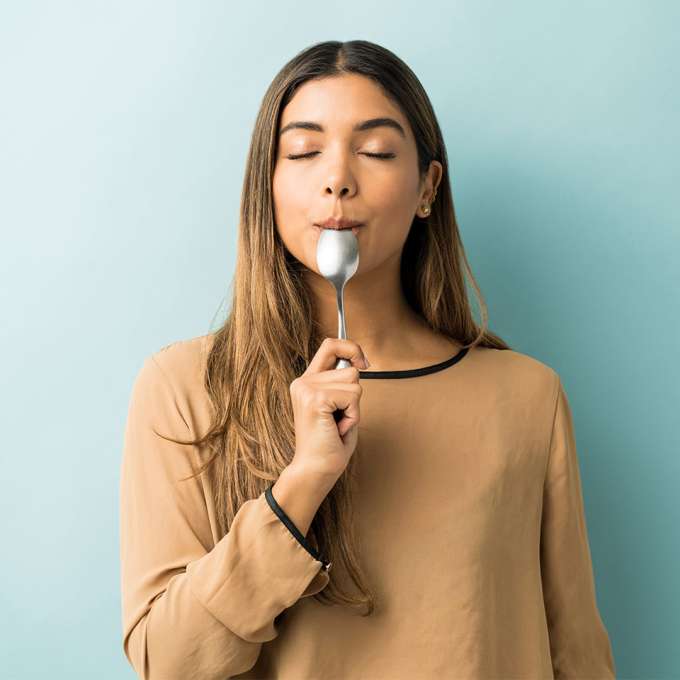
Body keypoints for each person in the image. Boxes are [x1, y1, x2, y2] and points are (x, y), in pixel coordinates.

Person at [119, 39, 616, 679]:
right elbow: (170, 663)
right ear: (265, 188)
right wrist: (301, 485)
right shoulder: (185, 387)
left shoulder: (527, 397)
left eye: (376, 151)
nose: (338, 178)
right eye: (302, 151)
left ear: (427, 187)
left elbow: (576, 655)